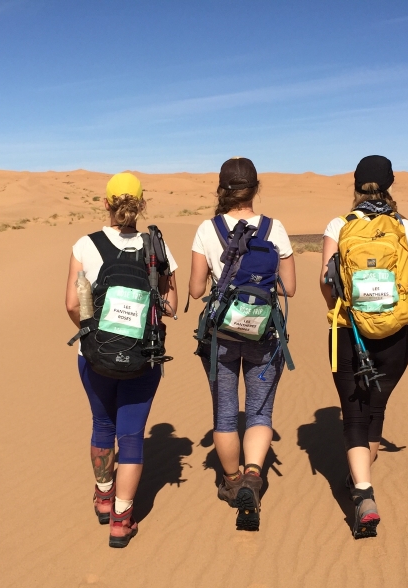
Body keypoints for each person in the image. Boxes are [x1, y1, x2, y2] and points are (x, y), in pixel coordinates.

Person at [320, 155, 408, 539]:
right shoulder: (405, 229)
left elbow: (325, 283)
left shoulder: (338, 226)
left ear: (355, 184)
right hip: (395, 336)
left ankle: (363, 492)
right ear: (390, 185)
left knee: (352, 415)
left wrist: (344, 314)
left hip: (347, 332)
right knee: (376, 407)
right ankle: (362, 479)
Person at [65, 172, 178, 548]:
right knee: (130, 437)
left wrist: (93, 334)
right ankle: (121, 520)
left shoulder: (86, 245)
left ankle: (102, 498)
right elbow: (173, 305)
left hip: (94, 356)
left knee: (102, 424)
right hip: (143, 358)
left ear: (106, 203)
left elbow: (71, 303)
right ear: (142, 203)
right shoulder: (155, 246)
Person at [189, 157, 297, 531]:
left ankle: (233, 483)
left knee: (225, 413)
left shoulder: (207, 229)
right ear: (255, 187)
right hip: (264, 334)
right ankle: (254, 475)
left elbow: (195, 289)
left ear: (222, 188)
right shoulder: (275, 228)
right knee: (259, 413)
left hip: (221, 335)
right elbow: (291, 288)